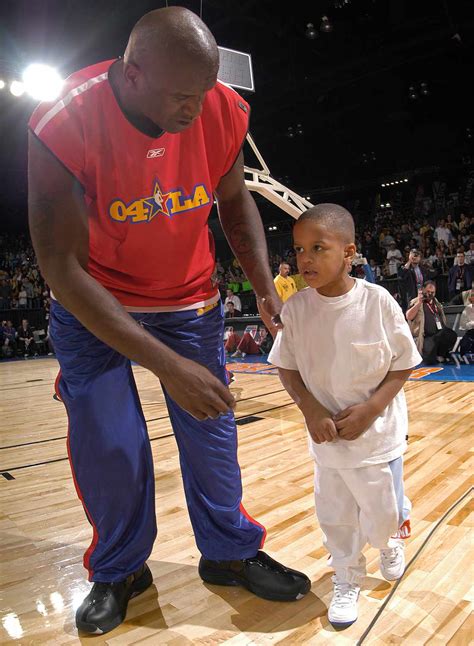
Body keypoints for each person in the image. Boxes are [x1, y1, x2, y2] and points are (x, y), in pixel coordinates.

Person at [28, 7, 309, 636]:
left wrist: (264, 286)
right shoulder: (64, 121)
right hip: (94, 303)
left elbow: (234, 203)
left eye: (204, 91)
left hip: (189, 301)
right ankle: (120, 570)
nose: (194, 108)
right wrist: (168, 366)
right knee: (111, 442)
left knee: (213, 434)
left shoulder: (218, 109)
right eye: (182, 94)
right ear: (131, 75)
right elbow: (61, 267)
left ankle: (231, 554)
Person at [268, 204, 421, 629]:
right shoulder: (297, 309)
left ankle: (390, 540)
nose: (306, 259)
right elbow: (286, 366)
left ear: (349, 251)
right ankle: (347, 575)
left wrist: (372, 408)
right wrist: (310, 407)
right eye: (299, 250)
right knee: (334, 514)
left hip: (377, 440)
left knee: (383, 513)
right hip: (327, 442)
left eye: (318, 248)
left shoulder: (377, 301)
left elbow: (404, 362)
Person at [406, 281, 457, 364]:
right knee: (429, 361)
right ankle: (435, 355)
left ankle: (441, 353)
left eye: (432, 292)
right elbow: (408, 316)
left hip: (439, 334)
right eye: (427, 292)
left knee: (451, 334)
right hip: (426, 337)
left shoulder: (437, 303)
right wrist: (419, 302)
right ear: (422, 290)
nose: (430, 294)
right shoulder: (415, 302)